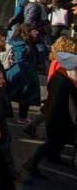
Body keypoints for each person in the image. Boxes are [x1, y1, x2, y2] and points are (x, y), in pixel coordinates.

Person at [23, 50, 77, 178]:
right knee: (53, 142)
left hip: (56, 115)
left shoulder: (60, 76)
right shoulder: (65, 81)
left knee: (58, 141)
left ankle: (54, 157)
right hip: (59, 118)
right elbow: (71, 106)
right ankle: (31, 164)